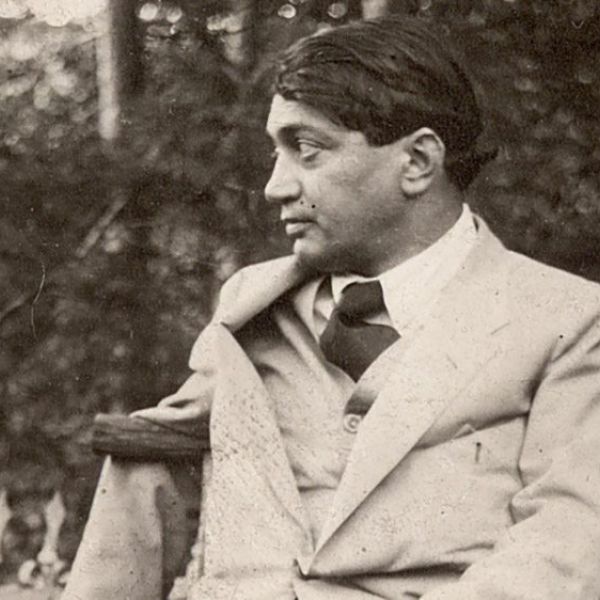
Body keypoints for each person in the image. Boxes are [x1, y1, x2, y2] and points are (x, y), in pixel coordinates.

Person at [64, 16, 600, 600]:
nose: (275, 186)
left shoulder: (566, 322)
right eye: (276, 152)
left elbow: (567, 545)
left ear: (418, 161)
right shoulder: (250, 309)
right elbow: (151, 455)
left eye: (306, 150)